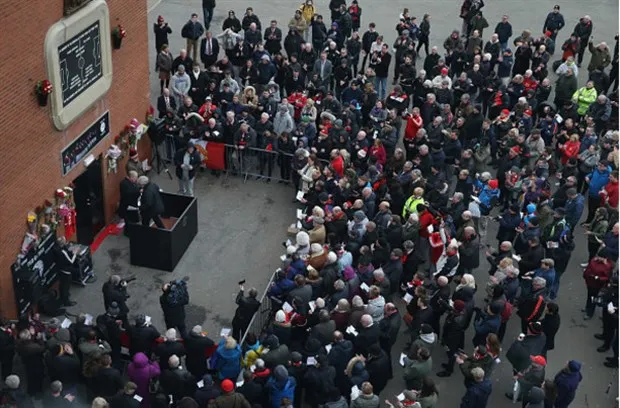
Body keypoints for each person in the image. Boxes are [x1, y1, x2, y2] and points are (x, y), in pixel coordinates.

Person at [53, 236, 78, 307]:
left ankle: (63, 298)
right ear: (62, 243)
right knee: (65, 287)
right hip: (66, 272)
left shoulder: (57, 249)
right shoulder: (62, 252)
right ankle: (66, 302)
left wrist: (71, 252)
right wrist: (75, 253)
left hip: (60, 270)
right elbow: (71, 262)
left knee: (62, 286)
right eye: (64, 241)